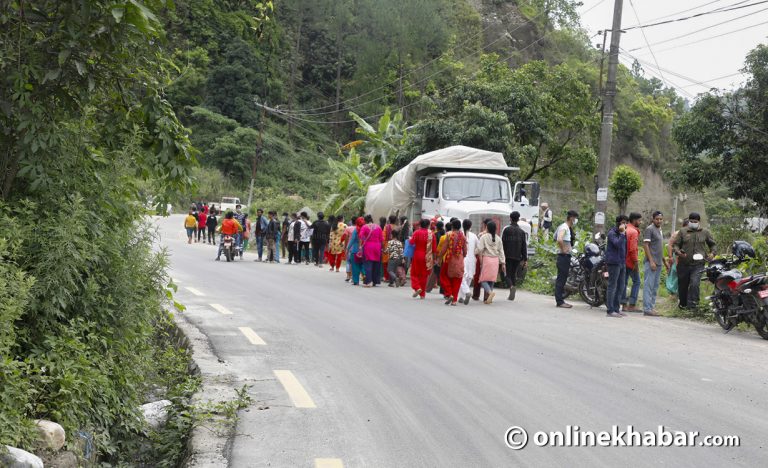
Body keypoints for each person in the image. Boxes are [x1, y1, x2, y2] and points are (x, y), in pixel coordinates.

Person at [673, 212, 716, 309]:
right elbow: (676, 244)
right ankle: (683, 305)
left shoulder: (705, 232)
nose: (693, 223)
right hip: (683, 263)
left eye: (695, 221)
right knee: (683, 285)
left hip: (698, 264)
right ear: (689, 221)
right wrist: (678, 252)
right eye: (691, 221)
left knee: (695, 283)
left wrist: (712, 253)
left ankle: (693, 305)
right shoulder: (683, 231)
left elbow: (712, 244)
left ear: (698, 222)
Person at [437, 219, 467, 305]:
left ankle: (449, 293)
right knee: (457, 279)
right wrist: (462, 256)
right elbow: (465, 251)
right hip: (459, 259)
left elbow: (444, 249)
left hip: (449, 259)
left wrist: (439, 257)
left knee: (443, 276)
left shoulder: (449, 235)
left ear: (452, 226)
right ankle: (454, 300)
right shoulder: (463, 236)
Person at [475, 221, 505, 304]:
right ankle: (489, 298)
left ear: (487, 228)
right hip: (495, 260)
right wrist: (503, 263)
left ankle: (490, 293)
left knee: (483, 279)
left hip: (487, 260)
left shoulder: (484, 237)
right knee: (491, 280)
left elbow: (480, 249)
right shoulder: (498, 238)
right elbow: (501, 251)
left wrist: (474, 252)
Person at [554, 210, 578, 308]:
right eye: (575, 218)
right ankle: (559, 301)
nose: (576, 220)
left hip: (565, 256)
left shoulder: (567, 227)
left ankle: (560, 300)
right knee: (561, 279)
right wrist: (564, 250)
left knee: (562, 279)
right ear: (572, 218)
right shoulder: (564, 227)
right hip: (563, 257)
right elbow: (559, 239)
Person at [605, 215, 628, 318]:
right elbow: (617, 244)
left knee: (621, 286)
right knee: (612, 286)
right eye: (623, 222)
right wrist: (622, 233)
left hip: (622, 262)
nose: (625, 225)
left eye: (626, 223)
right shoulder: (612, 233)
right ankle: (610, 310)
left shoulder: (623, 233)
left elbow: (624, 247)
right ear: (618, 223)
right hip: (614, 262)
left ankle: (616, 308)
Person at [642, 211, 664, 316]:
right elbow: (646, 245)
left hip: (659, 263)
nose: (659, 221)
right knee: (648, 286)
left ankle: (651, 307)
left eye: (660, 219)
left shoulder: (659, 230)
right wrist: (651, 261)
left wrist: (664, 261)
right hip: (651, 263)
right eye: (657, 219)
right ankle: (647, 308)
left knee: (655, 287)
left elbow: (658, 247)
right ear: (653, 219)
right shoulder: (649, 229)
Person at [502, 211, 528, 301]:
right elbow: (524, 246)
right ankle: (511, 292)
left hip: (508, 256)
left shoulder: (507, 230)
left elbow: (503, 243)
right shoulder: (522, 232)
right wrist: (525, 259)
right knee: (513, 274)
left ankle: (511, 286)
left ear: (510, 218)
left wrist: (502, 256)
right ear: (518, 219)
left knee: (506, 275)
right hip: (517, 256)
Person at [621, 212, 643, 312]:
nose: (640, 222)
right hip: (630, 261)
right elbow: (633, 249)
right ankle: (632, 304)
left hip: (622, 260)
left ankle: (624, 304)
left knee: (624, 282)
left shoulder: (625, 228)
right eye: (639, 220)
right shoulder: (633, 232)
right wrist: (636, 262)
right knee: (637, 281)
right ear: (634, 220)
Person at [409, 219, 436, 299]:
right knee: (424, 275)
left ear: (420, 225)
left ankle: (417, 287)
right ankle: (422, 294)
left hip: (417, 254)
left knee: (414, 273)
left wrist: (410, 238)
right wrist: (434, 259)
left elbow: (411, 242)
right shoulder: (432, 234)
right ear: (428, 225)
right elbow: (434, 249)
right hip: (427, 256)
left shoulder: (416, 232)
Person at [458, 219, 479, 305]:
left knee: (461, 277)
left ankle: (466, 292)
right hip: (471, 259)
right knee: (469, 277)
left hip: (462, 258)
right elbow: (478, 247)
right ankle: (462, 297)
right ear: (470, 226)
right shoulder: (474, 236)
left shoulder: (459, 234)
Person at [360, 215, 383, 287]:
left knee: (368, 264)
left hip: (368, 246)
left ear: (365, 221)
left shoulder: (365, 227)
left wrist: (365, 240)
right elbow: (381, 238)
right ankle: (375, 281)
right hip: (377, 246)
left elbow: (361, 235)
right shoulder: (378, 227)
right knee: (376, 264)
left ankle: (368, 281)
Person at [347, 217, 365, 285]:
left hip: (355, 251)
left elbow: (352, 240)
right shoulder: (366, 230)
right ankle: (365, 276)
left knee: (355, 266)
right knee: (363, 265)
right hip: (363, 250)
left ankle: (356, 281)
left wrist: (347, 248)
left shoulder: (356, 230)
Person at [382, 215, 398, 282]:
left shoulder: (386, 227)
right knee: (393, 262)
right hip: (396, 244)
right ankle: (393, 277)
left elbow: (383, 237)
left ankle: (387, 277)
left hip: (387, 244)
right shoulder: (398, 227)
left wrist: (383, 246)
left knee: (385, 262)